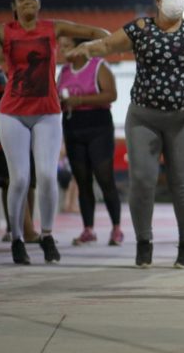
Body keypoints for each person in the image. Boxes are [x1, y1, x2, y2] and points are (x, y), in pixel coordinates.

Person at [70, 0, 184, 269]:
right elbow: (107, 44)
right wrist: (87, 49)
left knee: (182, 183)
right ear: (158, 0)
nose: (177, 0)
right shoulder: (140, 28)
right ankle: (144, 243)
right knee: (142, 182)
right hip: (143, 116)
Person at [0, 0, 109, 264]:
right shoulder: (3, 31)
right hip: (12, 113)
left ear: (39, 4)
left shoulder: (53, 27)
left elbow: (95, 33)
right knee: (20, 180)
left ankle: (47, 235)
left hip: (47, 112)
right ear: (13, 7)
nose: (28, 2)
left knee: (48, 177)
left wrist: (98, 45)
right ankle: (16, 238)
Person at [57, 36, 124, 246]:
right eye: (61, 46)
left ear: (80, 46)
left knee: (104, 178)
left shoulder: (98, 66)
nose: (63, 50)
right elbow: (58, 98)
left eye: (67, 45)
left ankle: (116, 228)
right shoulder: (64, 71)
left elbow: (111, 95)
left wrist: (80, 100)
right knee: (82, 180)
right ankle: (88, 229)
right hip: (73, 127)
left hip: (98, 127)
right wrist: (62, 103)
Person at [0, 42, 38, 247]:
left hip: (1, 139)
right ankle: (27, 231)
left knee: (13, 181)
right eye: (3, 50)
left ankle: (24, 230)